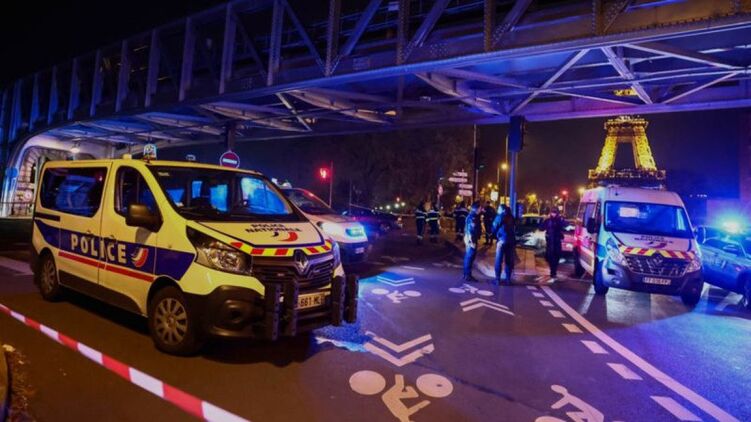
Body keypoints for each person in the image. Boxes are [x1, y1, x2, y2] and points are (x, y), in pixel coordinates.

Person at [492, 204, 516, 284]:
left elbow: (494, 228)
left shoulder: (499, 217)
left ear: (502, 210)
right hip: (511, 241)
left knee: (498, 260)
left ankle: (497, 279)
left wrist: (494, 235)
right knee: (508, 260)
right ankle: (508, 279)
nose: (497, 210)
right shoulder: (511, 217)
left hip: (502, 241)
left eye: (498, 208)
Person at [541, 207, 567, 279]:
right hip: (550, 242)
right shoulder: (548, 221)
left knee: (556, 257)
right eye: (552, 212)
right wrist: (542, 221)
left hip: (556, 242)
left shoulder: (559, 220)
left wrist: (562, 220)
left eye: (555, 212)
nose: (553, 214)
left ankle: (553, 272)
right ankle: (552, 271)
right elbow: (541, 228)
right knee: (550, 257)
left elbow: (565, 226)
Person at [463, 201, 482, 282]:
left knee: (469, 256)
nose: (481, 209)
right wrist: (472, 241)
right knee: (470, 257)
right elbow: (471, 230)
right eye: (480, 208)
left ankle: (466, 274)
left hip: (470, 239)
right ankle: (467, 275)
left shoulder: (472, 216)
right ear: (476, 208)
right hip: (471, 239)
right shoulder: (473, 217)